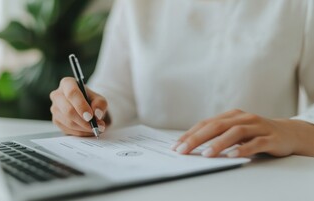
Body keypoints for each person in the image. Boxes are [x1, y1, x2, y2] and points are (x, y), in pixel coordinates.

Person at [50, 0, 314, 158]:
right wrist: (83, 110)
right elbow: (114, 91)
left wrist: (290, 132)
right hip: (149, 175)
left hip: (259, 175)